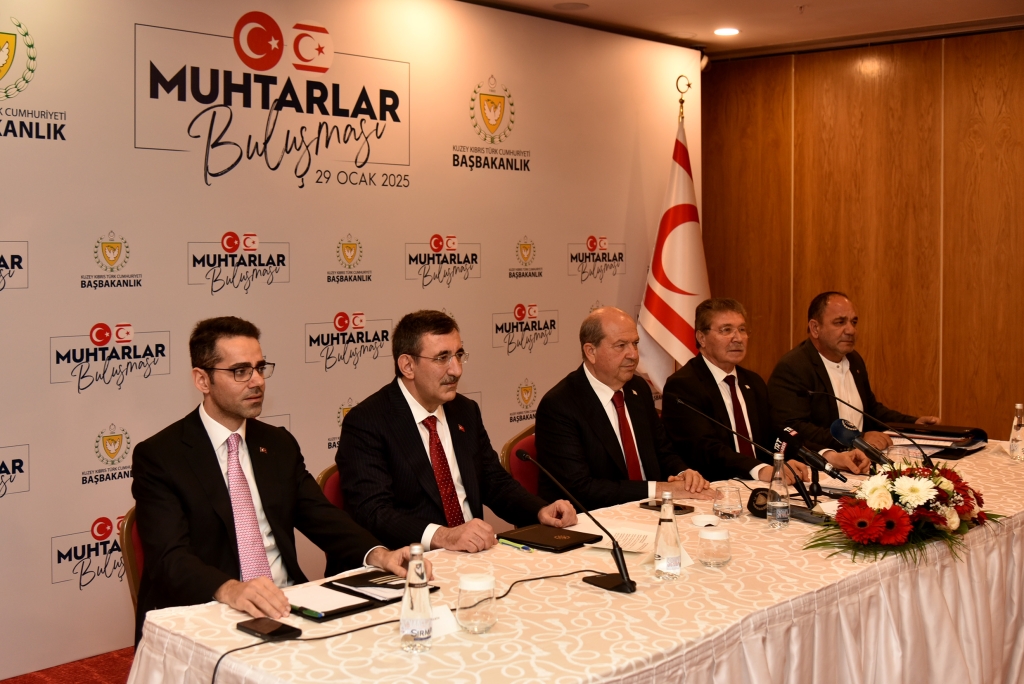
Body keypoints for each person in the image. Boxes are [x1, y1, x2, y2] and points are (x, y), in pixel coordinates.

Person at [131, 317, 424, 645]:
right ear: (202, 380)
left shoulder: (278, 444)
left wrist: (379, 554)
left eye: (260, 368)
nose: (257, 381)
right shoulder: (161, 456)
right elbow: (169, 557)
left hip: (287, 603)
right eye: (240, 371)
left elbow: (322, 517)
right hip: (209, 610)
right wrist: (231, 589)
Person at [337, 310, 577, 554]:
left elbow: (494, 482)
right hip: (414, 560)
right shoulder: (367, 422)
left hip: (475, 555)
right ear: (408, 366)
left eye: (458, 355)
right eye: (442, 358)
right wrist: (445, 536)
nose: (457, 370)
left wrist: (539, 510)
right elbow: (373, 512)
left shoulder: (465, 410)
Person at [534, 306, 712, 511]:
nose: (633, 354)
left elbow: (663, 450)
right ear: (591, 352)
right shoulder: (560, 405)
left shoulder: (638, 388)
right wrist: (660, 489)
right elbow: (580, 488)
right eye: (621, 345)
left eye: (635, 343)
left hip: (651, 511)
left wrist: (683, 474)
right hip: (595, 517)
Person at [768, 292, 939, 465]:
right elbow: (793, 428)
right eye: (840, 322)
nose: (851, 330)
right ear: (815, 328)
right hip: (821, 466)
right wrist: (858, 439)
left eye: (853, 322)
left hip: (862, 461)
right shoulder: (794, 367)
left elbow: (871, 411)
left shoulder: (854, 360)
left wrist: (913, 423)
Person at [663, 298, 815, 483]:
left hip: (759, 484)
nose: (738, 338)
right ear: (701, 338)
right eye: (726, 330)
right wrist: (760, 469)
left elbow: (776, 432)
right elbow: (705, 448)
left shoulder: (753, 382)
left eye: (742, 329)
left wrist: (813, 455)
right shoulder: (683, 386)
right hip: (713, 486)